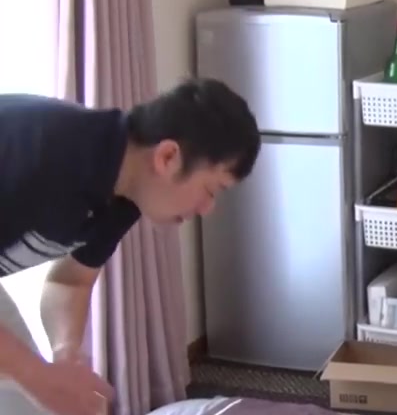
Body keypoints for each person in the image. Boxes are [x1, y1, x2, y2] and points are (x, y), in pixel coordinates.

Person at [0, 78, 261, 415]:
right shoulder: (43, 154)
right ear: (168, 157)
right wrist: (38, 377)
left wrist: (66, 354)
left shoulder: (123, 195)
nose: (207, 209)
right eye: (211, 190)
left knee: (30, 402)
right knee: (33, 385)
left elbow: (69, 281)